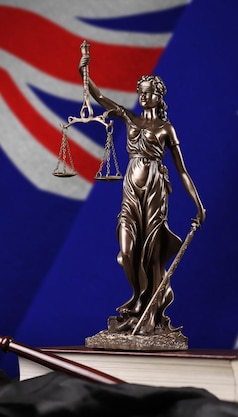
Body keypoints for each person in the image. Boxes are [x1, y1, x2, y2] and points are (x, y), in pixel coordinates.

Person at [79, 56, 206, 335]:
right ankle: (138, 300)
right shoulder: (129, 117)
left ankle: (151, 311)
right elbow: (100, 97)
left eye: (149, 92)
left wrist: (198, 204)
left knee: (152, 251)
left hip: (155, 189)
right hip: (131, 190)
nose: (143, 96)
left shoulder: (165, 129)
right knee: (127, 251)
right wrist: (85, 75)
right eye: (141, 92)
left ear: (158, 96)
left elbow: (182, 171)